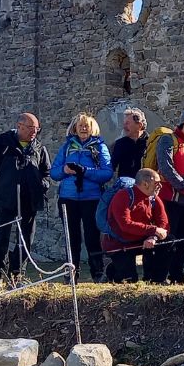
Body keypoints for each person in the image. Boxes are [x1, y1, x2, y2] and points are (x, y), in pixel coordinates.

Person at [0, 112, 51, 290]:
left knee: (25, 240)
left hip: (30, 200)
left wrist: (42, 185)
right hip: (6, 199)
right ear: (19, 126)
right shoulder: (2, 142)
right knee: (1, 238)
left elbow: (47, 172)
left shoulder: (39, 147)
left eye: (36, 129)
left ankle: (17, 275)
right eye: (30, 128)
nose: (34, 132)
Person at [144, 109, 184, 285]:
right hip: (168, 200)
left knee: (181, 240)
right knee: (167, 238)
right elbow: (166, 169)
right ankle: (158, 278)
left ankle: (176, 277)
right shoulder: (168, 140)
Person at [50, 113, 113, 282]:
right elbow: (54, 172)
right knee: (71, 237)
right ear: (75, 129)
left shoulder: (100, 147)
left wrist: (85, 171)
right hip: (68, 198)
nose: (84, 128)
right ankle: (71, 274)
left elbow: (107, 173)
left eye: (87, 126)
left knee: (92, 237)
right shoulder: (67, 147)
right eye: (80, 126)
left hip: (91, 198)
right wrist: (65, 170)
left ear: (93, 128)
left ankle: (98, 273)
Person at [101, 169, 169, 283]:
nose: (160, 186)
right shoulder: (123, 196)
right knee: (129, 281)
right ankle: (112, 271)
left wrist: (153, 237)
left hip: (142, 241)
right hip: (120, 243)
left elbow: (164, 223)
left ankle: (155, 279)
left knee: (169, 241)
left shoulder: (154, 198)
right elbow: (125, 225)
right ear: (145, 183)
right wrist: (153, 230)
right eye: (157, 183)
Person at [110, 108, 148, 179]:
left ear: (139, 125)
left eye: (127, 123)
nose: (124, 127)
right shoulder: (120, 144)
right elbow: (111, 167)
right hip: (126, 188)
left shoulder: (150, 143)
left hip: (146, 187)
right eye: (124, 124)